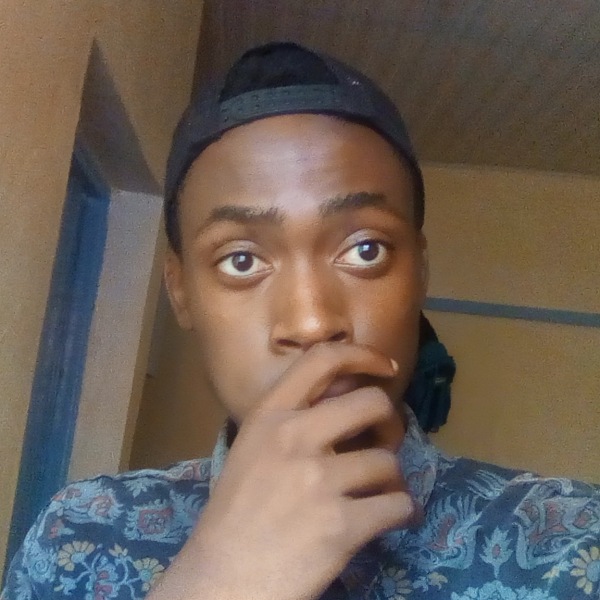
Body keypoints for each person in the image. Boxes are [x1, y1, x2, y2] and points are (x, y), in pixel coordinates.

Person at [3, 42, 599, 600]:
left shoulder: (572, 543)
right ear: (179, 291)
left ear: (419, 271)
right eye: (241, 260)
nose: (313, 323)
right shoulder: (80, 535)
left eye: (365, 249)